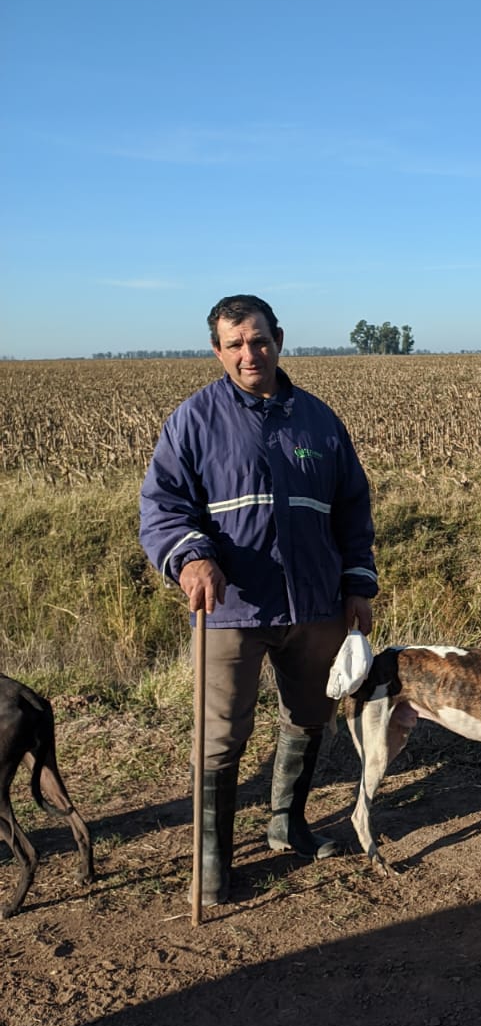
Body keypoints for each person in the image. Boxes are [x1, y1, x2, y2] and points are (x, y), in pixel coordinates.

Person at [140, 294, 378, 904]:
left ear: (279, 338)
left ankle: (286, 824)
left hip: (313, 603)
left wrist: (357, 583)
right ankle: (213, 861)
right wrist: (192, 557)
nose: (250, 353)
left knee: (310, 714)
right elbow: (162, 508)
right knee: (221, 735)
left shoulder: (319, 422)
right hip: (231, 608)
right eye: (236, 343)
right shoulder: (193, 421)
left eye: (259, 339)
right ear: (218, 351)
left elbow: (353, 507)